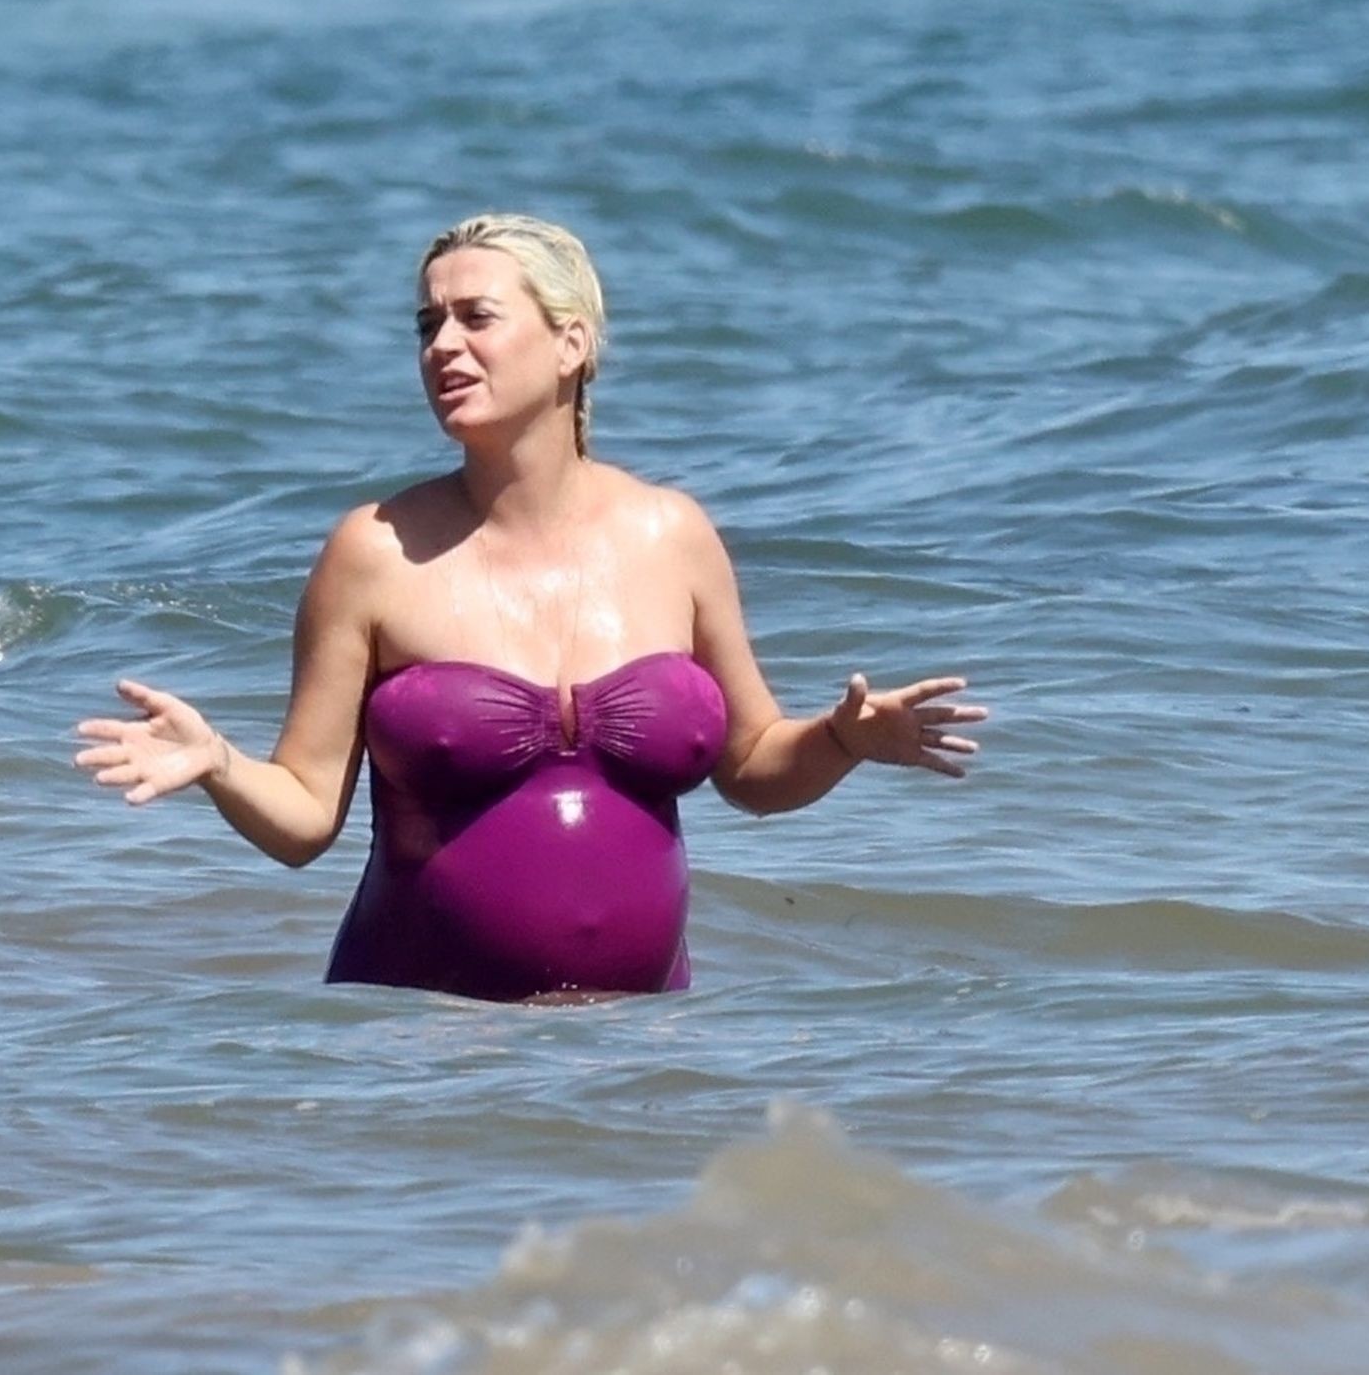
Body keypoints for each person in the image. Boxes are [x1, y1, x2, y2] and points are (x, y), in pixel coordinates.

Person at [75, 213, 985, 1003]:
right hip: (426, 1048)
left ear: (570, 344)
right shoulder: (375, 550)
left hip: (642, 1046)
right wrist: (219, 761)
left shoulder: (672, 534)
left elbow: (751, 767)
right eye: (427, 324)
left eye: (476, 317)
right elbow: (307, 814)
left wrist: (841, 739)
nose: (441, 345)